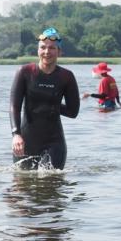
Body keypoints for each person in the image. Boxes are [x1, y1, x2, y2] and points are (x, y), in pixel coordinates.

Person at [9, 27, 80, 169]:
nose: (47, 52)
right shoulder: (25, 72)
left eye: (52, 48)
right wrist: (16, 134)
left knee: (52, 179)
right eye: (43, 47)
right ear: (38, 51)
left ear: (59, 51)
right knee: (22, 182)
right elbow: (14, 107)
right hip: (25, 141)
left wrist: (52, 105)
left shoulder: (66, 77)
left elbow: (73, 112)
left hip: (54, 143)